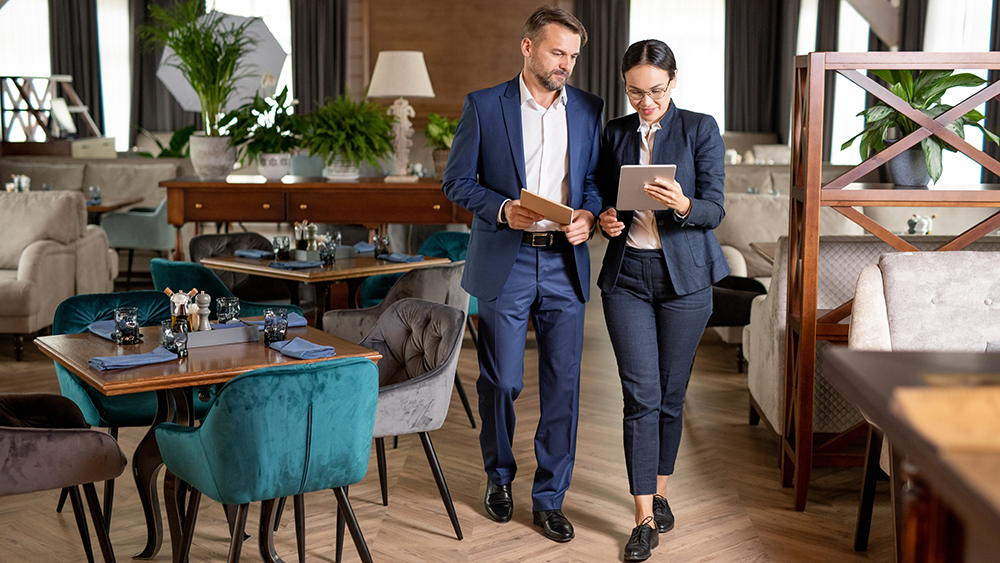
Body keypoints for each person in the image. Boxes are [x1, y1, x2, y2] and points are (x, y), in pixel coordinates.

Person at [442, 5, 603, 544]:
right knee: (502, 380)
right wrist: (504, 208)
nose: (567, 65)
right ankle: (499, 477)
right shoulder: (484, 106)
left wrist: (586, 216)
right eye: (559, 53)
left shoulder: (587, 108)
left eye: (574, 56)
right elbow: (457, 182)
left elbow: (594, 183)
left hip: (565, 262)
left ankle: (550, 497)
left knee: (562, 385)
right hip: (506, 259)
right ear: (527, 47)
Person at [596, 39, 729, 561]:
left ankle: (662, 490)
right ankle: (643, 518)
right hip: (627, 275)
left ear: (673, 82)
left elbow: (716, 208)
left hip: (686, 280)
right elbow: (604, 196)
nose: (644, 102)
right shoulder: (616, 133)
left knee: (672, 397)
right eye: (634, 92)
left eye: (654, 91)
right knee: (641, 396)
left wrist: (684, 203)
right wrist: (608, 217)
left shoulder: (700, 128)